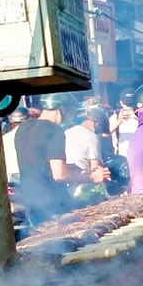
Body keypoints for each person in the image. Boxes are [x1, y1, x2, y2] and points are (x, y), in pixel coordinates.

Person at [14, 93, 111, 228]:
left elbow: (38, 162)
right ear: (62, 109)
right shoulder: (54, 130)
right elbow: (59, 175)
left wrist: (69, 167)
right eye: (71, 113)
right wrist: (92, 177)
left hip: (32, 203)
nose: (71, 119)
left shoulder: (23, 128)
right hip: (53, 204)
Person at [1, 106, 29, 184]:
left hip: (10, 179)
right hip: (29, 178)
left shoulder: (4, 139)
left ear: (11, 123)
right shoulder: (33, 136)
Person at [110, 88, 138, 158]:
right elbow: (106, 133)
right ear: (121, 103)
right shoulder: (115, 117)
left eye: (131, 104)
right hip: (122, 157)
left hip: (139, 155)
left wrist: (139, 119)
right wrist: (119, 121)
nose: (129, 108)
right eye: (127, 104)